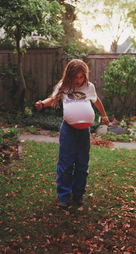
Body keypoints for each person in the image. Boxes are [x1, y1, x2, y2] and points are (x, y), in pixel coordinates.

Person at [35, 59, 110, 210]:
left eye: (81, 77)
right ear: (69, 75)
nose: (78, 80)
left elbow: (96, 101)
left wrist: (105, 115)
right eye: (75, 77)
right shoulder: (63, 86)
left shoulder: (89, 87)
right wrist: (42, 103)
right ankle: (63, 196)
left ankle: (78, 194)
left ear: (85, 76)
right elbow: (53, 99)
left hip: (84, 132)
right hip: (68, 130)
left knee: (82, 163)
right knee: (66, 163)